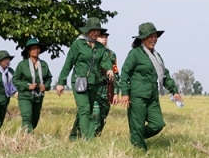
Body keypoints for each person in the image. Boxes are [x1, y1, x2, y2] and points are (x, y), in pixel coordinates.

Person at [119, 22, 181, 150]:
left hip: (152, 97)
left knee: (158, 124)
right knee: (137, 125)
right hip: (137, 96)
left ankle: (136, 136)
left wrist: (174, 91)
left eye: (155, 36)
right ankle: (140, 152)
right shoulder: (135, 53)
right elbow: (125, 72)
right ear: (142, 39)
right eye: (150, 37)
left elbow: (164, 75)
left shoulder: (157, 56)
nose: (154, 39)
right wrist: (125, 93)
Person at [55, 19, 116, 140]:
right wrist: (61, 82)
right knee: (84, 110)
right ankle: (88, 139)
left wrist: (109, 69)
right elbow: (68, 63)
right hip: (79, 81)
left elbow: (105, 60)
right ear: (87, 30)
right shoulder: (78, 44)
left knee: (86, 111)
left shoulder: (100, 47)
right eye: (93, 30)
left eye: (98, 31)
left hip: (94, 82)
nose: (95, 33)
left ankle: (74, 137)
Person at [13, 38, 51, 133]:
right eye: (33, 48)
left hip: (39, 97)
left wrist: (46, 86)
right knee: (27, 117)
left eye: (37, 48)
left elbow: (48, 78)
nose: (36, 50)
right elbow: (15, 80)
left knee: (35, 119)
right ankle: (27, 137)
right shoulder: (22, 65)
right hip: (25, 96)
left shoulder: (44, 64)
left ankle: (26, 134)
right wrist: (27, 86)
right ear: (28, 51)